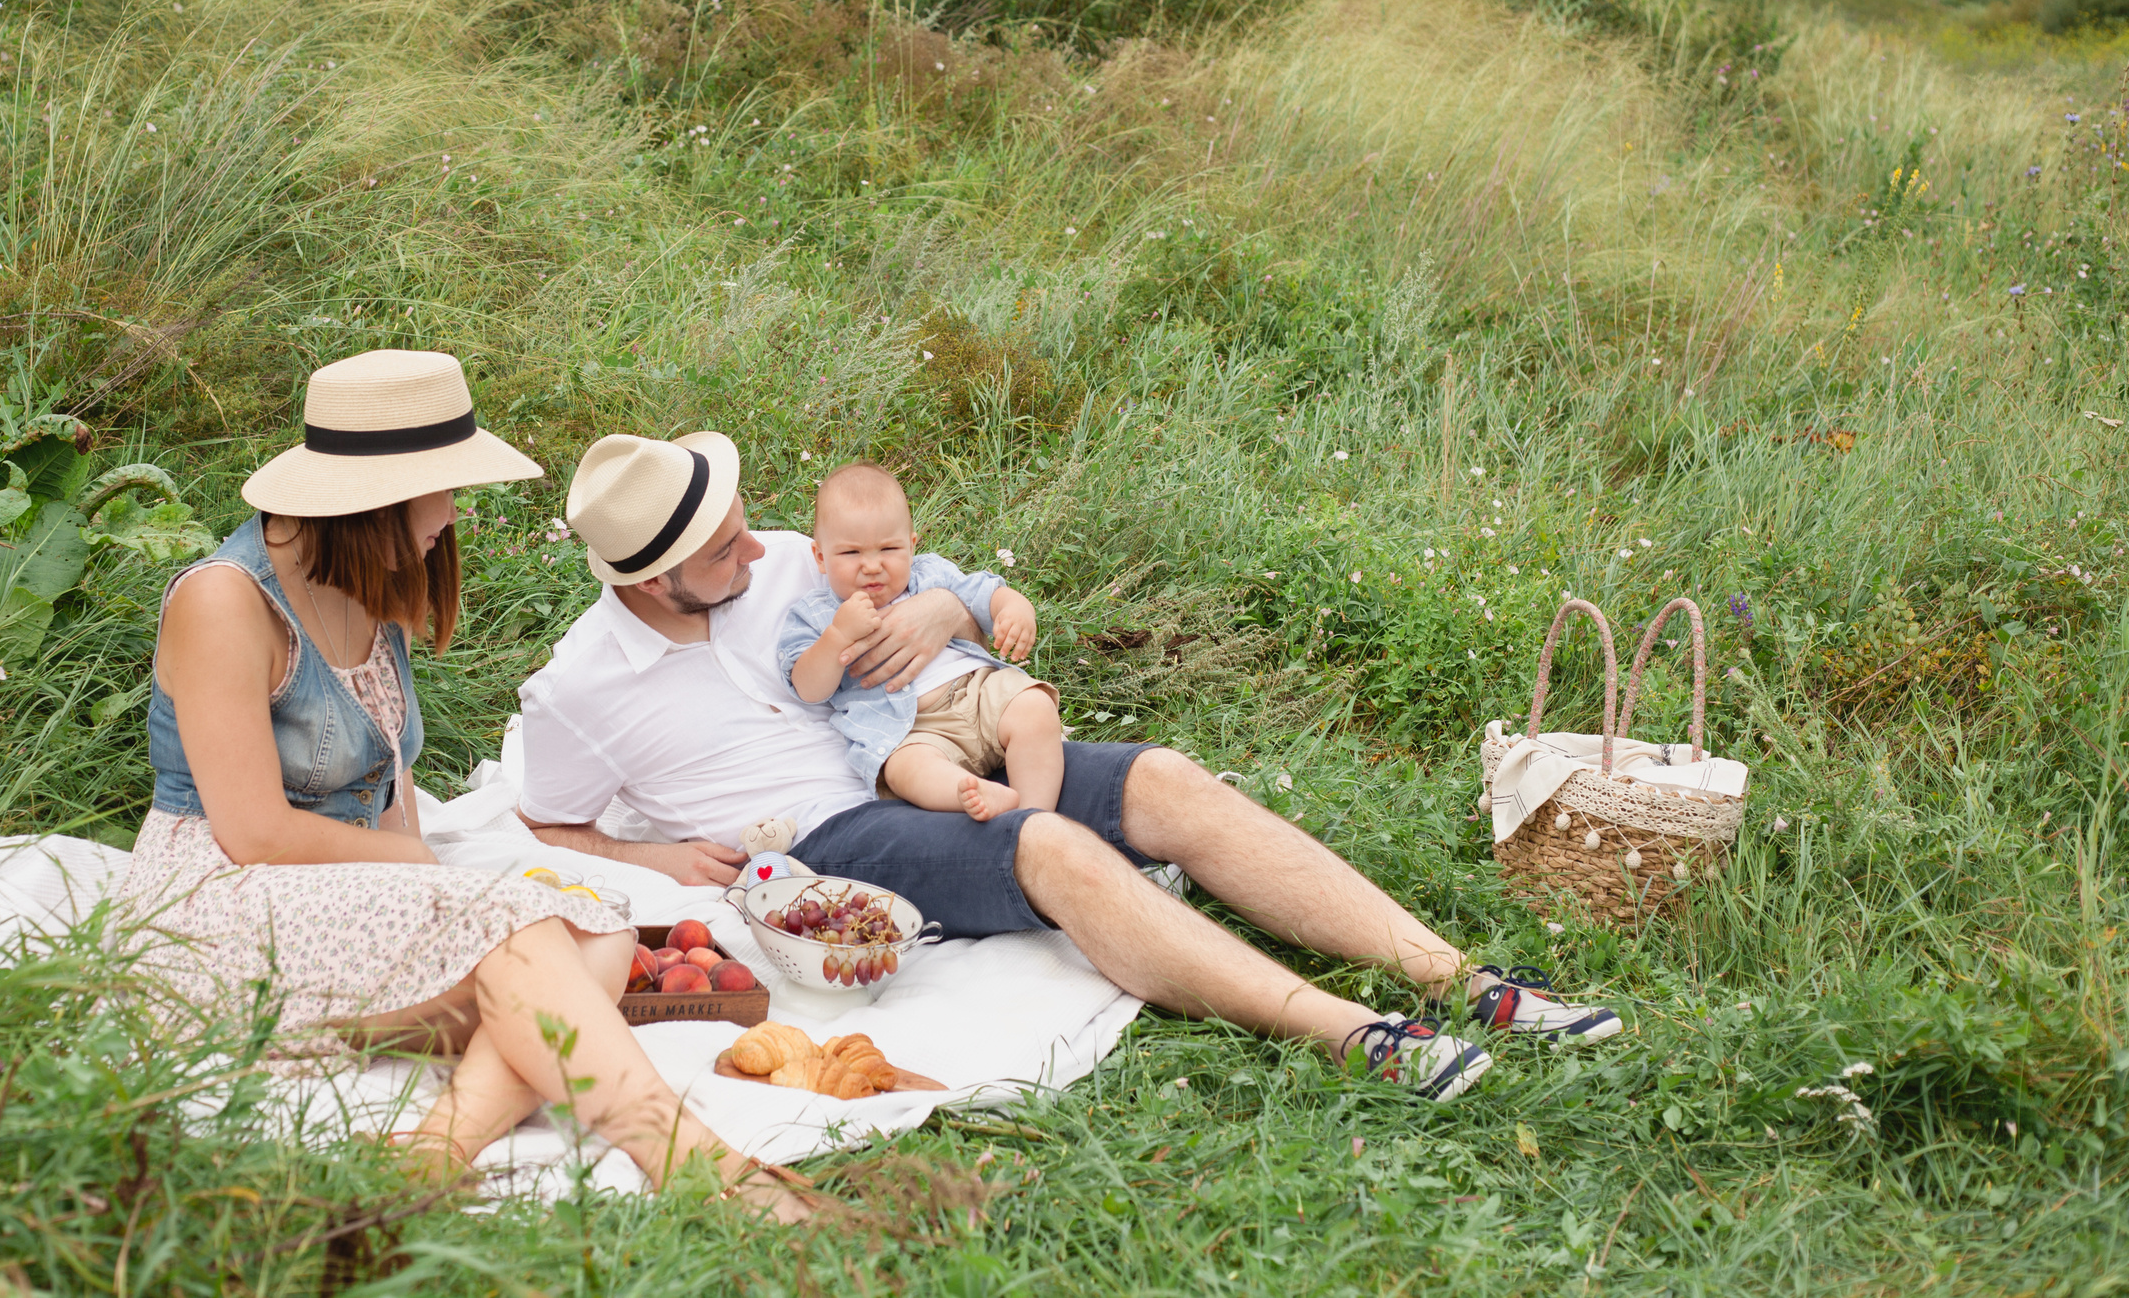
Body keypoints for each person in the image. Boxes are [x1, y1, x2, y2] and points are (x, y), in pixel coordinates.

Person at [516, 430, 1623, 1102]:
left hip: (939, 735)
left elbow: (930, 579)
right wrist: (649, 850)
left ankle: (1466, 981)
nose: (761, 554)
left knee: (1167, 779)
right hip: (829, 833)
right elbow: (548, 824)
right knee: (1041, 839)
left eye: (750, 528)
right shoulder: (578, 691)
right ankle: (1351, 1032)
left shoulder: (782, 564)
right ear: (652, 582)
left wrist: (952, 601)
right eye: (726, 551)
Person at [113, 354, 802, 1213]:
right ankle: (682, 1151)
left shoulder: (364, 581)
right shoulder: (224, 601)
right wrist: (442, 887)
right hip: (219, 900)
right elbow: (255, 831)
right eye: (446, 488)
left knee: (596, 940)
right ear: (383, 495)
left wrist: (438, 891)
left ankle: (442, 1144)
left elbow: (387, 779)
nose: (455, 513)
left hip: (340, 891)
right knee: (520, 949)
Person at [774, 461, 1060, 824]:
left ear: (911, 546)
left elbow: (984, 593)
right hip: (911, 731)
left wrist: (1015, 607)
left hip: (978, 693)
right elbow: (808, 687)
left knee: (1034, 707)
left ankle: (1036, 817)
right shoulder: (816, 615)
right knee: (904, 770)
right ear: (821, 557)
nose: (872, 565)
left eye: (889, 549)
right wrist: (837, 637)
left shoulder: (931, 574)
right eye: (851, 553)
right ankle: (969, 790)